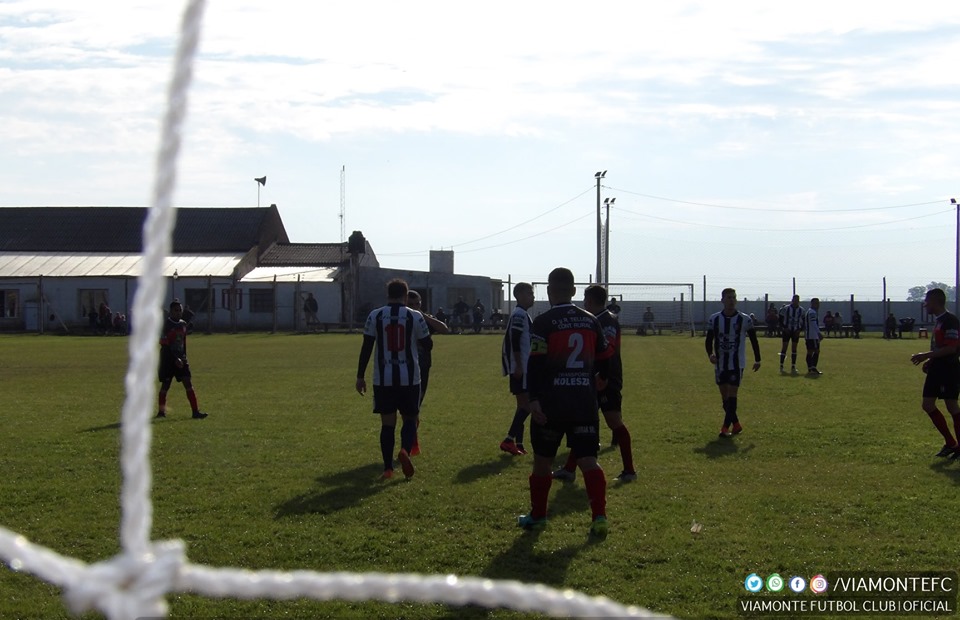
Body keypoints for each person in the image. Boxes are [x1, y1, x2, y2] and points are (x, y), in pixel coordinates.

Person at [517, 268, 613, 538]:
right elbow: (606, 356)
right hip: (584, 402)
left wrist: (533, 399)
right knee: (588, 461)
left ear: (549, 291)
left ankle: (538, 517)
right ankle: (599, 518)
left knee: (543, 462)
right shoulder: (591, 320)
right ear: (573, 291)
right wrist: (601, 379)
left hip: (552, 403)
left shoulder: (544, 322)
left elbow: (535, 364)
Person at [553, 284, 636, 482]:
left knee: (614, 421)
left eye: (585, 299)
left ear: (589, 300)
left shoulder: (607, 320)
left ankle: (630, 471)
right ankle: (569, 469)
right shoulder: (594, 319)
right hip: (592, 379)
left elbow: (608, 350)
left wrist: (603, 376)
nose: (583, 302)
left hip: (607, 380)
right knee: (583, 421)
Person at [356, 278, 433, 480]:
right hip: (410, 378)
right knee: (410, 418)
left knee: (387, 424)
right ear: (406, 296)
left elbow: (366, 346)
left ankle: (388, 468)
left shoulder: (375, 315)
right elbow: (428, 345)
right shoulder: (414, 316)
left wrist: (360, 376)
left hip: (383, 379)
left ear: (388, 295)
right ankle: (405, 450)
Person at [910, 288, 960, 458]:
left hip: (949, 369)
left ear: (935, 301)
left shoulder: (950, 321)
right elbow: (941, 347)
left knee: (952, 406)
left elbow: (951, 348)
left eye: (927, 301)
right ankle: (951, 443)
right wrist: (931, 361)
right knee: (928, 405)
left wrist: (926, 355)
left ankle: (957, 447)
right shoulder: (939, 321)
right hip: (937, 369)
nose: (925, 305)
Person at [705, 288, 761, 438]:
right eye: (729, 298)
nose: (731, 300)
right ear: (722, 300)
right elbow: (709, 340)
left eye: (734, 298)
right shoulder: (714, 319)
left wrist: (758, 359)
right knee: (725, 397)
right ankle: (736, 424)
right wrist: (710, 354)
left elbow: (754, 340)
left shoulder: (745, 319)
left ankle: (724, 428)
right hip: (720, 364)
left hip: (737, 364)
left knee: (732, 394)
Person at [406, 289, 449, 456]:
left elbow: (444, 329)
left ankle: (412, 441)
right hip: (405, 367)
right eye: (411, 304)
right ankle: (410, 442)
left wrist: (423, 315)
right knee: (408, 408)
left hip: (422, 367)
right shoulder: (402, 319)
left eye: (417, 304)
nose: (414, 307)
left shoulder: (423, 319)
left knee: (415, 406)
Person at [500, 282, 535, 456]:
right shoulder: (520, 314)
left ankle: (518, 444)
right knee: (527, 406)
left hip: (520, 366)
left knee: (522, 406)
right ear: (519, 295)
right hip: (521, 366)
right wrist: (519, 365)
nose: (533, 297)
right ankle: (508, 440)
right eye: (529, 293)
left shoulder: (521, 313)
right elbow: (515, 339)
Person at [156, 299, 208, 419]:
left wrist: (183, 357)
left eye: (180, 310)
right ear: (171, 312)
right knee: (165, 385)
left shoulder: (183, 324)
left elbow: (183, 343)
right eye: (176, 310)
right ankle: (161, 412)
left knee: (188, 383)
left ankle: (195, 412)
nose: (178, 312)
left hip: (181, 359)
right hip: (168, 360)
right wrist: (175, 359)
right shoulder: (165, 325)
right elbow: (165, 344)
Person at [778, 295, 805, 374]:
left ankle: (793, 366)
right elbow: (780, 319)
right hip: (787, 330)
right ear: (792, 300)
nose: (796, 301)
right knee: (784, 347)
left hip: (795, 331)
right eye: (794, 300)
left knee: (794, 348)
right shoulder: (785, 308)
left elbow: (803, 321)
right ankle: (781, 366)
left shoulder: (801, 310)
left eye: (797, 300)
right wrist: (784, 328)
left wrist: (799, 330)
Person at [804, 297, 823, 374]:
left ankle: (811, 368)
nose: (818, 305)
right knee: (815, 351)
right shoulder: (812, 312)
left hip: (809, 335)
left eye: (818, 303)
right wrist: (818, 333)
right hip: (812, 336)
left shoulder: (810, 311)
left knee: (810, 351)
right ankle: (813, 368)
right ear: (812, 304)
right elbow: (813, 323)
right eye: (816, 303)